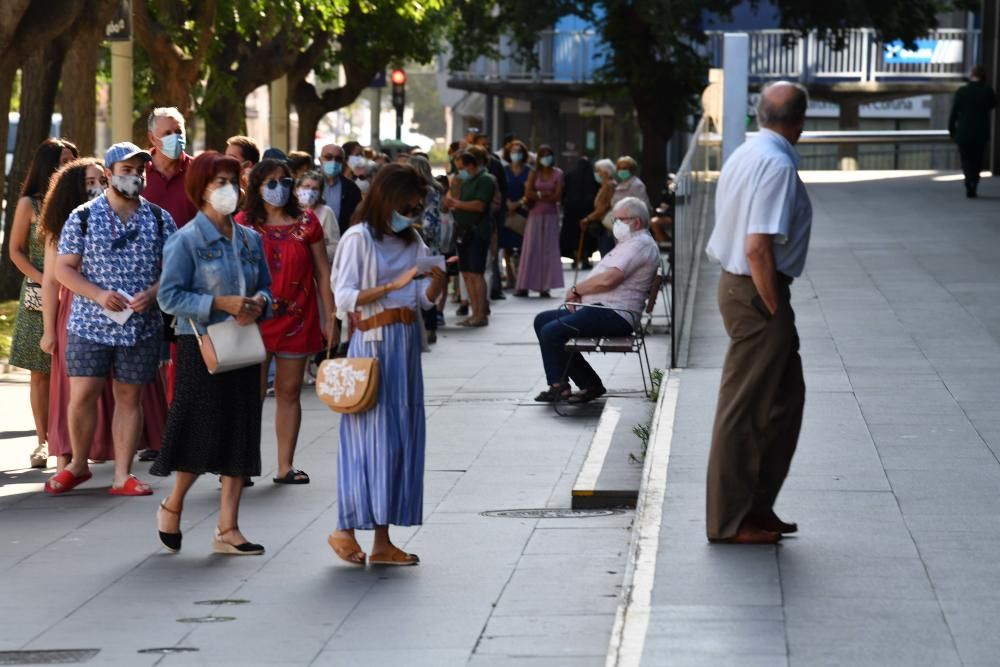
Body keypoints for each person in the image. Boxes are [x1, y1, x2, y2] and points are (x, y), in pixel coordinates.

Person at [704, 81, 812, 545]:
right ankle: (730, 521)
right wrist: (774, 309)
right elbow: (757, 247)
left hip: (745, 288)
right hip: (756, 292)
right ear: (800, 122)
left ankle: (757, 506)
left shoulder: (748, 153)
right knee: (745, 409)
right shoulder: (775, 164)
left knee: (785, 401)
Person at [328, 163, 448, 565]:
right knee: (368, 436)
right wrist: (391, 286)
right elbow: (343, 295)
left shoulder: (411, 238)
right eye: (406, 205)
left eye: (415, 207)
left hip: (405, 344)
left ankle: (383, 539)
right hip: (372, 344)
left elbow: (424, 300)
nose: (411, 213)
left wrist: (436, 279)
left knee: (400, 439)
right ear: (387, 199)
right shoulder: (358, 239)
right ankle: (345, 526)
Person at [153, 151, 272, 555]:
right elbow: (169, 297)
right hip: (202, 344)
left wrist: (258, 302)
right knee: (198, 432)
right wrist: (220, 303)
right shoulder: (186, 240)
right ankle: (173, 503)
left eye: (233, 180)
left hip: (243, 344)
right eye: (218, 181)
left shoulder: (250, 238)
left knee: (241, 432)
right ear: (200, 188)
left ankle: (228, 529)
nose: (229, 189)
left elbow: (268, 289)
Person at [48, 142, 178, 496]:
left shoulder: (159, 218)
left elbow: (176, 270)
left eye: (140, 170)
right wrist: (98, 294)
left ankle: (123, 474)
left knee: (129, 396)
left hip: (140, 325)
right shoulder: (83, 216)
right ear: (108, 174)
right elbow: (63, 269)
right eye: (127, 169)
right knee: (83, 393)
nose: (135, 176)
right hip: (90, 323)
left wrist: (153, 293)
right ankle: (77, 464)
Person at [236, 159, 334, 485]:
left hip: (298, 319)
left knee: (289, 392)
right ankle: (242, 465)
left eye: (285, 180)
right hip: (253, 320)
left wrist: (330, 316)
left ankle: (284, 466)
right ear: (257, 186)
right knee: (250, 395)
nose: (279, 187)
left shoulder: (308, 223)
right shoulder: (242, 223)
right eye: (271, 181)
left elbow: (323, 273)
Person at [532, 197, 659, 404]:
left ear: (636, 222)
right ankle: (580, 384)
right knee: (543, 320)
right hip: (600, 308)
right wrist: (582, 294)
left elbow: (609, 280)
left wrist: (576, 289)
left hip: (616, 313)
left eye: (620, 219)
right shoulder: (630, 243)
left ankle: (563, 386)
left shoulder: (639, 245)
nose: (614, 223)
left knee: (552, 331)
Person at [9, 139, 77, 468]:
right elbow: (15, 250)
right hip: (39, 292)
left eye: (73, 162)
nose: (68, 167)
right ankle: (42, 441)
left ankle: (71, 438)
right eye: (63, 160)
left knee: (74, 370)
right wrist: (42, 275)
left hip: (77, 293)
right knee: (41, 371)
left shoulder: (82, 206)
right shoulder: (30, 204)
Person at [443, 151, 494, 327]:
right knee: (466, 273)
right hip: (463, 232)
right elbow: (454, 199)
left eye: (462, 167)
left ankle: (481, 313)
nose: (460, 171)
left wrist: (457, 204)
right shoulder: (465, 181)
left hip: (477, 232)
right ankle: (474, 313)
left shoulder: (486, 180)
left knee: (476, 273)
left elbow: (480, 205)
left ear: (470, 165)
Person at [515, 144, 564, 297]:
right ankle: (524, 285)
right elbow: (528, 193)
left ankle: (545, 286)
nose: (546, 157)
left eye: (548, 154)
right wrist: (545, 195)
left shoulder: (558, 173)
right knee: (531, 250)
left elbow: (558, 196)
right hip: (534, 215)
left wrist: (539, 194)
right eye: (543, 154)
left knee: (549, 251)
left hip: (551, 216)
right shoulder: (533, 173)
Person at [408, 155, 446, 344]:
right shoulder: (435, 189)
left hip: (424, 241)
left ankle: (429, 326)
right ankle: (429, 325)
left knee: (425, 283)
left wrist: (412, 227)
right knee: (428, 283)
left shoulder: (426, 191)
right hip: (432, 243)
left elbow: (428, 221)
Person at [949, 64, 997, 198]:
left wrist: (952, 130)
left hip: (964, 131)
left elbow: (954, 113)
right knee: (977, 160)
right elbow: (993, 104)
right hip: (980, 132)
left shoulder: (962, 91)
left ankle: (968, 180)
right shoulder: (988, 91)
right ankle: (974, 183)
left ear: (971, 76)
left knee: (966, 159)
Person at [145, 107, 197, 230]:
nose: (175, 137)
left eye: (179, 132)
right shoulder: (138, 170)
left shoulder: (199, 170)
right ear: (152, 138)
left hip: (188, 248)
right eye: (167, 133)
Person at [560, 156, 600, 269]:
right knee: (587, 237)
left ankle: (575, 257)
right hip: (588, 212)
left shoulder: (570, 176)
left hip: (571, 213)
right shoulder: (592, 178)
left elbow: (564, 193)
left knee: (573, 237)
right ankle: (585, 257)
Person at [501, 139, 531, 288]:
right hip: (507, 212)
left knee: (522, 247)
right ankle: (510, 277)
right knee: (506, 247)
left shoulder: (528, 171)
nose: (516, 154)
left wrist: (518, 203)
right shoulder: (504, 170)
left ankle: (522, 278)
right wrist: (507, 204)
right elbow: (501, 189)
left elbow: (530, 192)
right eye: (513, 151)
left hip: (522, 212)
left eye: (519, 151)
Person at [295, 170, 339, 262]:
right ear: (297, 188)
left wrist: (312, 254)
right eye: (306, 187)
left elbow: (335, 246)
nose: (310, 191)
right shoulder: (289, 212)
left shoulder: (326, 212)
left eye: (315, 189)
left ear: (320, 193)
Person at [318, 143, 362, 236]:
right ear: (320, 159)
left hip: (341, 241)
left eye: (338, 159)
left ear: (343, 162)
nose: (333, 162)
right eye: (328, 157)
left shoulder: (351, 188)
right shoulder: (308, 184)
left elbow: (357, 219)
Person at [580, 159, 617, 255]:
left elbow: (603, 207)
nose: (596, 173)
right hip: (603, 225)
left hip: (608, 226)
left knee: (607, 255)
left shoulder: (609, 185)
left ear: (605, 172)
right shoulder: (603, 186)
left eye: (598, 170)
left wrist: (588, 219)